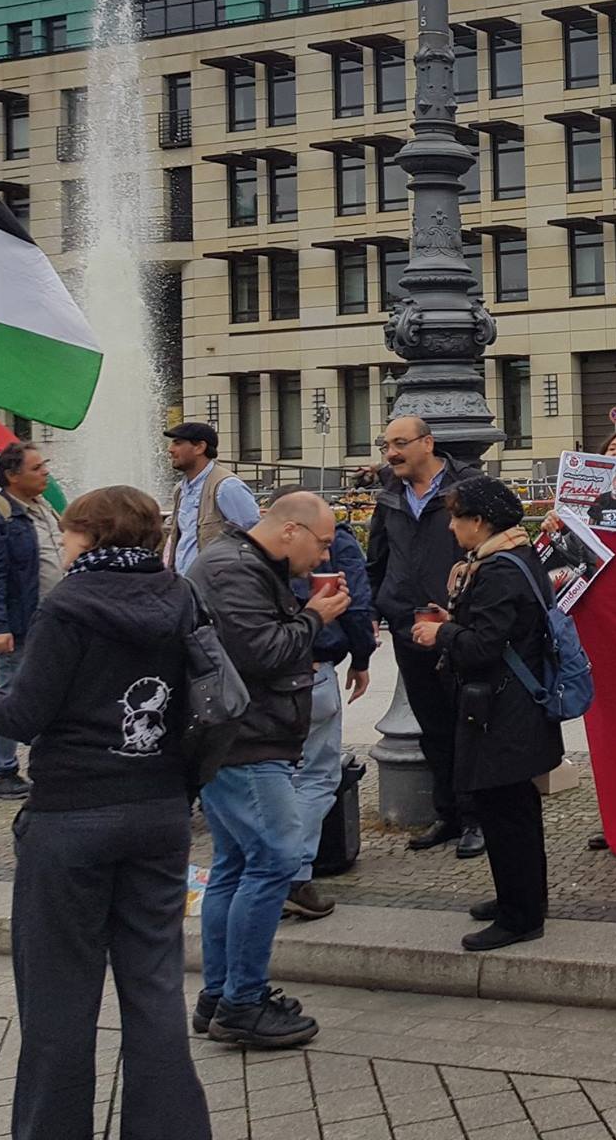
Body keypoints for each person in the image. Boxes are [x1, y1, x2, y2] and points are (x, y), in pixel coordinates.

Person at [0, 484, 212, 1138]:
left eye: (71, 531)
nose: (64, 541)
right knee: (156, 988)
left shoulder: (69, 606)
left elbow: (23, 716)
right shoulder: (182, 595)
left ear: (92, 536)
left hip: (71, 818)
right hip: (159, 811)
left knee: (59, 999)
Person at [190, 491, 352, 1049]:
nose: (324, 555)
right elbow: (262, 652)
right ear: (290, 531)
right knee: (275, 860)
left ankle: (220, 996)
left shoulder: (241, 562)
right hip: (247, 743)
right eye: (322, 543)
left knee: (234, 865)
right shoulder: (233, 570)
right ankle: (242, 1003)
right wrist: (314, 616)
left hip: (238, 739)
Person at [408, 476, 562, 950]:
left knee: (504, 810)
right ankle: (523, 898)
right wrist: (456, 621)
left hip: (503, 708)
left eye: (457, 518)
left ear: (480, 521)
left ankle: (520, 917)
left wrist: (442, 634)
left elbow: (485, 646)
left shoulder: (498, 571)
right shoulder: (517, 555)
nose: (451, 527)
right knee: (515, 808)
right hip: (514, 704)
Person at [368, 415, 485, 858]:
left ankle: (477, 818)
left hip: (457, 627)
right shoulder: (390, 493)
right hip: (407, 625)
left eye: (400, 443)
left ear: (428, 443)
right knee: (432, 726)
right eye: (386, 445)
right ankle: (449, 813)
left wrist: (467, 612)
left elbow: (491, 549)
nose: (391, 453)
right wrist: (375, 611)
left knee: (468, 723)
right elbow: (376, 558)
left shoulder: (465, 486)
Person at [281, 492, 376, 922]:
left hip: (267, 680)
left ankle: (264, 871)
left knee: (277, 777)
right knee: (317, 776)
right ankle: (291, 875)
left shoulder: (250, 553)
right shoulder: (339, 541)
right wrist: (361, 658)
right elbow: (355, 602)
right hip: (315, 669)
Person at [0, 440, 60, 800]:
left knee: (52, 692)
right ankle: (0, 772)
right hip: (19, 624)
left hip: (52, 622)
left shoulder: (43, 507)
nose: (45, 472)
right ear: (12, 475)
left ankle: (50, 765)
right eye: (37, 468)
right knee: (10, 694)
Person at [163, 421, 261, 575]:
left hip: (217, 584)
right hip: (187, 583)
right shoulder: (180, 490)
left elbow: (253, 536)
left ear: (200, 447)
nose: (170, 449)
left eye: (178, 443)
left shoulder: (227, 486)